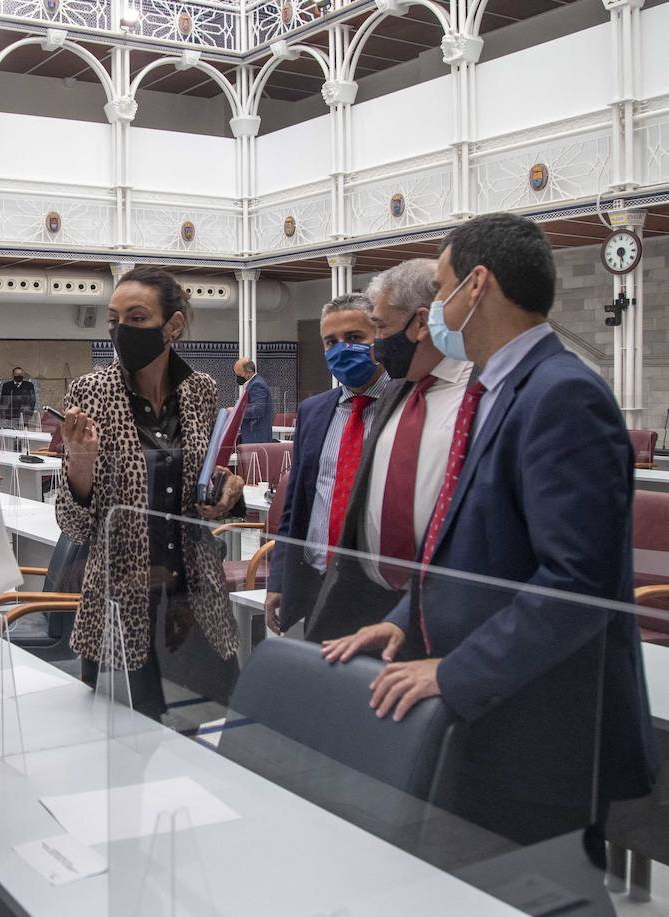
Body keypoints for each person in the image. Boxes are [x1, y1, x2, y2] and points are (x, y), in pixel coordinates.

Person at [321, 213, 656, 851]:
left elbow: (575, 581)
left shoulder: (562, 395)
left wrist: (455, 671)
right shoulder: (496, 388)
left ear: (476, 286)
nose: (433, 312)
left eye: (441, 288)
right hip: (493, 707)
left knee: (542, 885)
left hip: (542, 724)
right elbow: (470, 538)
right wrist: (406, 618)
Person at [57, 266, 246, 722]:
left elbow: (202, 478)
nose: (122, 330)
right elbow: (76, 524)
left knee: (212, 733)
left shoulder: (200, 391)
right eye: (113, 319)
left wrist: (226, 486)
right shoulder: (92, 392)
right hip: (122, 601)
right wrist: (79, 462)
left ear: (173, 326)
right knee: (123, 750)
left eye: (137, 318)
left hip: (194, 596)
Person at [307, 260, 474, 642]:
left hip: (444, 609)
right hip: (363, 596)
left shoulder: (483, 394)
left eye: (377, 328)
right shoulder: (399, 391)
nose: (375, 344)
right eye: (331, 341)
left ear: (419, 323)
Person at [265, 294, 388, 636]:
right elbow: (297, 505)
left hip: (383, 587)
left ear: (379, 337)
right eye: (331, 341)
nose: (342, 349)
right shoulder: (314, 410)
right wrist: (279, 578)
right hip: (319, 582)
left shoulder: (406, 404)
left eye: (354, 338)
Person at [233, 358, 273, 444]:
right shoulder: (252, 384)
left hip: (256, 436)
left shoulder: (257, 385)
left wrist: (236, 411)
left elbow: (258, 409)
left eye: (240, 374)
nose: (238, 377)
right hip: (253, 434)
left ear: (249, 372)